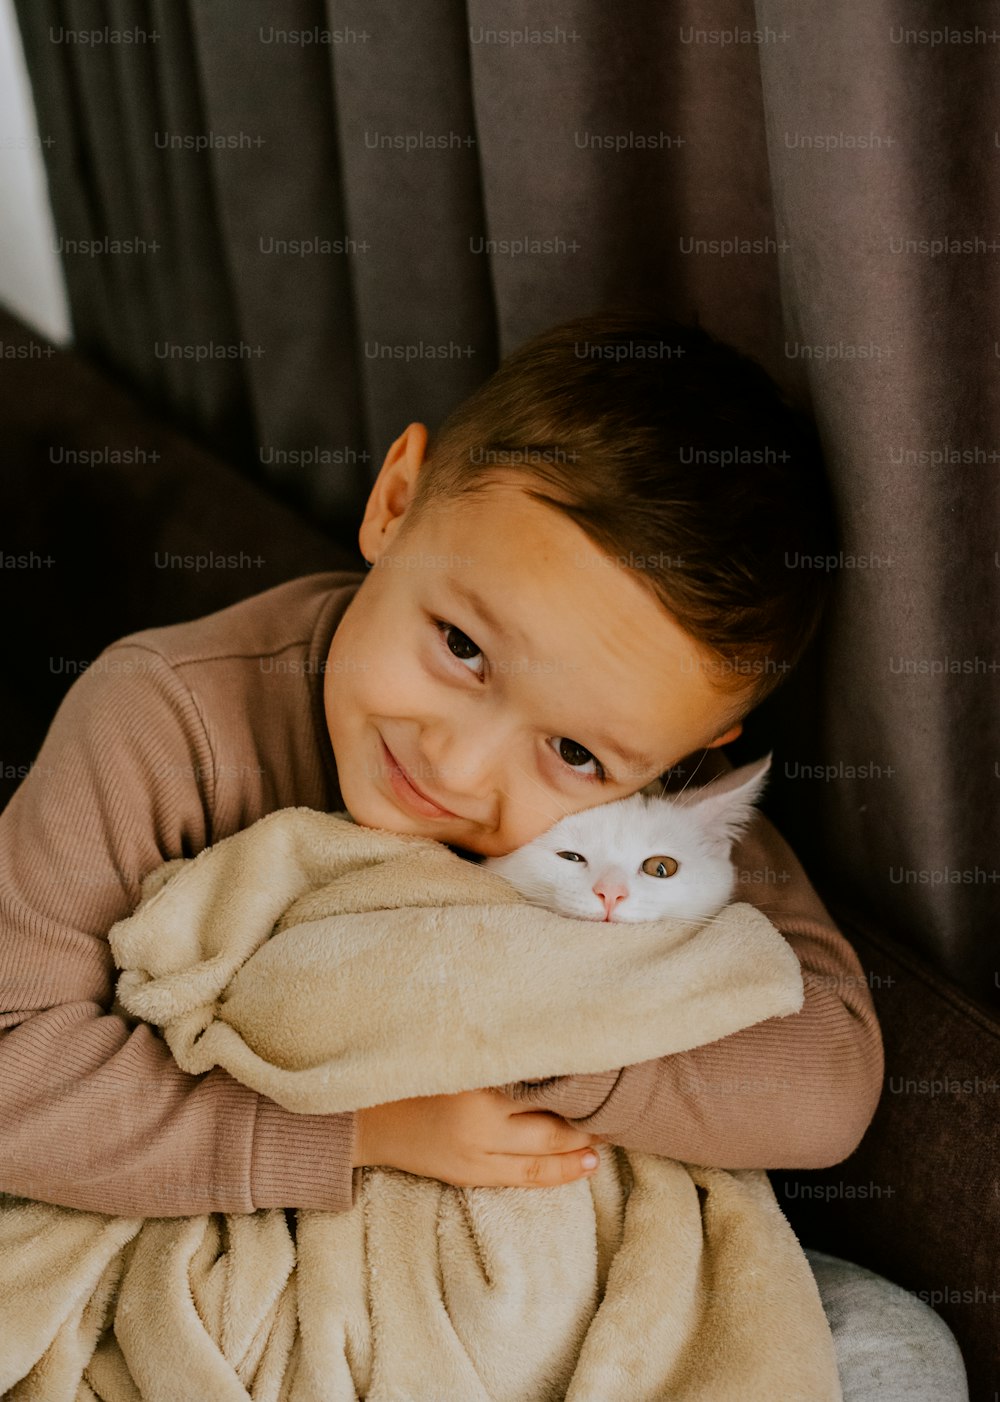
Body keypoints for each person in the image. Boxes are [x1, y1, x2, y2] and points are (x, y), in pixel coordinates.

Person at [0, 310, 967, 1397]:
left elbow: (828, 1080)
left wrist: (513, 1034)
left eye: (570, 752)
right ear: (395, 501)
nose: (456, 769)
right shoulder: (165, 713)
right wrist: (359, 1129)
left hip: (557, 1280)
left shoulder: (642, 804)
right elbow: (13, 1067)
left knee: (897, 1351)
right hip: (248, 1234)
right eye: (460, 647)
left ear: (690, 757)